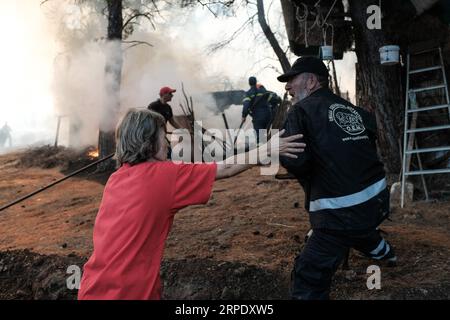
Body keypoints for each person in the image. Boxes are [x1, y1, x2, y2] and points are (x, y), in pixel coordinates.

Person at [78, 108, 305, 300]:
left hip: (91, 287)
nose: (167, 143)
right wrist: (268, 149)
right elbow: (224, 168)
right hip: (131, 292)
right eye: (161, 136)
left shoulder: (115, 178)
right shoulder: (164, 175)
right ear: (148, 142)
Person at [277, 56, 397, 300]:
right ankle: (386, 252)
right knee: (362, 229)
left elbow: (297, 162)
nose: (287, 87)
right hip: (378, 201)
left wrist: (278, 151)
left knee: (308, 276)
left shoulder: (300, 112)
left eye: (292, 80)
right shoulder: (355, 111)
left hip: (340, 215)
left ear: (311, 81)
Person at [242, 77, 273, 144]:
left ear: (249, 83)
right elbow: (271, 99)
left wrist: (243, 116)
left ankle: (262, 151)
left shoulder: (248, 93)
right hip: (269, 115)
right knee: (267, 134)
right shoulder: (263, 90)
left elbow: (246, 106)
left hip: (258, 117)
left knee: (260, 138)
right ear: (256, 82)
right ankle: (269, 149)